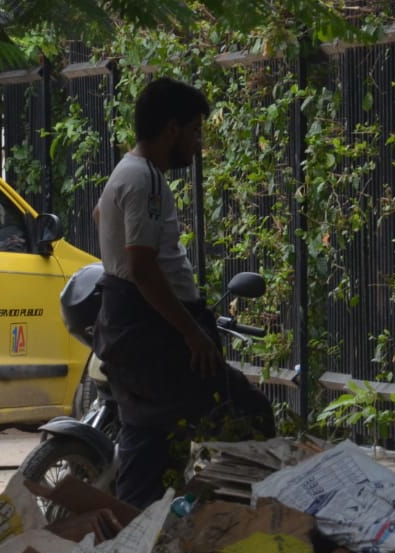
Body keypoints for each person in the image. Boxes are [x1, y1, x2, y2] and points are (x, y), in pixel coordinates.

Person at [90, 77, 274, 509]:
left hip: (128, 329)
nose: (197, 145)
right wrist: (191, 333)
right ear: (171, 130)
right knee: (247, 416)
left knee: (151, 441)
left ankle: (136, 531)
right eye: (194, 132)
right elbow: (142, 266)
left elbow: (101, 214)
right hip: (154, 339)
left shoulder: (127, 170)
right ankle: (225, 519)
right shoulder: (146, 180)